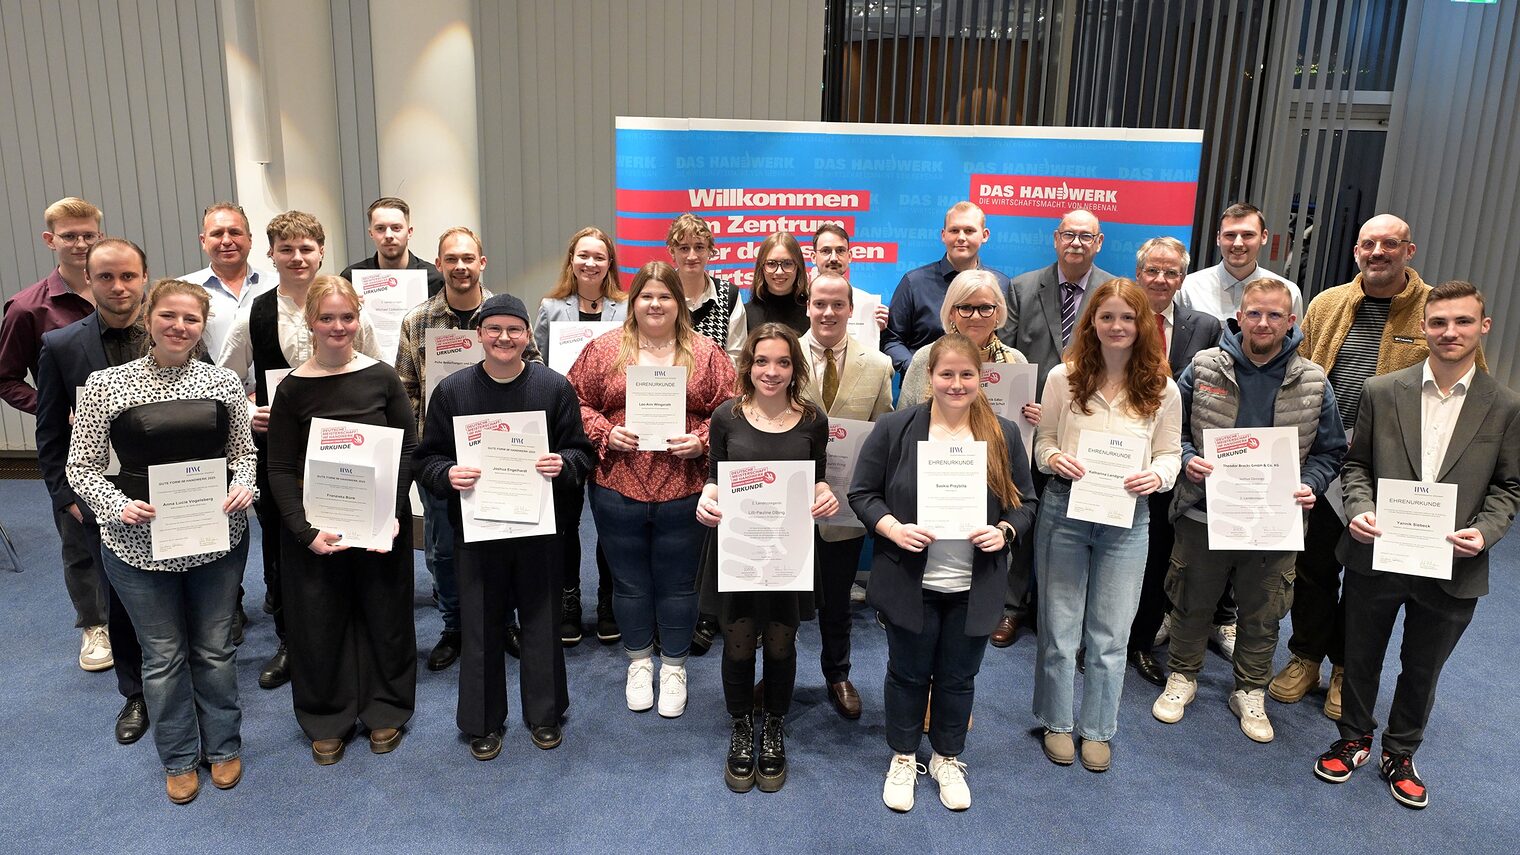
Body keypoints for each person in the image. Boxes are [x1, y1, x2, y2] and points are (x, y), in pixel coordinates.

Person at [1315, 280, 1520, 809]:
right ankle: (1353, 737)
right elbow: (1356, 466)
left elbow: (1509, 487)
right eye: (1438, 322)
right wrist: (1358, 508)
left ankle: (1401, 751)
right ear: (1423, 327)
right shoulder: (1385, 391)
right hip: (1378, 551)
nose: (1450, 332)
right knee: (1361, 655)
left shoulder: (1506, 406)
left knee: (1423, 666)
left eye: (1463, 322)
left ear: (1483, 327)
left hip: (1455, 561)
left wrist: (1487, 531)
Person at [66, 278, 257, 804]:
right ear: (149, 317)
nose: (180, 326)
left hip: (216, 541)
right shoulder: (107, 385)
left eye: (191, 319)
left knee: (215, 650)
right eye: (169, 316)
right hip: (138, 546)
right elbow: (80, 467)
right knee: (164, 654)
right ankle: (177, 755)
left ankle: (223, 746)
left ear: (202, 327)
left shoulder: (222, 384)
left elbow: (243, 452)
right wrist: (114, 507)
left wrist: (244, 483)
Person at [1151, 278, 1345, 743]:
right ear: (1239, 316)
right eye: (1254, 313)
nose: (1263, 323)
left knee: (1263, 611)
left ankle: (1250, 689)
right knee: (1191, 600)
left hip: (1273, 522)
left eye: (1274, 315)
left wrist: (1310, 483)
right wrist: (1184, 460)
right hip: (1203, 513)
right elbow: (1168, 431)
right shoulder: (1202, 368)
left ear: (1291, 321)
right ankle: (1183, 676)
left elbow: (1330, 452)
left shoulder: (1314, 380)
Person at [849, 333, 1037, 812]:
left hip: (973, 584)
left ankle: (948, 757)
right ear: (930, 377)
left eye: (966, 375)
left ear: (982, 378)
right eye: (946, 374)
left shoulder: (1004, 433)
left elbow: (1026, 503)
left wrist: (1005, 532)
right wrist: (892, 528)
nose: (956, 384)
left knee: (958, 677)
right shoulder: (895, 428)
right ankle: (904, 755)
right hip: (912, 581)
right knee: (907, 674)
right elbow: (863, 494)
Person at [1271, 213, 1442, 720]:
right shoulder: (1326, 304)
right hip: (1324, 459)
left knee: (1367, 574)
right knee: (1312, 567)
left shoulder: (1432, 311)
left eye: (1390, 244)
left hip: (1387, 470)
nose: (1378, 252)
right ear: (1356, 252)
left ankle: (1348, 666)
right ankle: (1305, 657)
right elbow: (1294, 371)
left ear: (1408, 251)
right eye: (1369, 244)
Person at [414, 293, 595, 760]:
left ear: (526, 335)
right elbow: (428, 458)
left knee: (541, 621)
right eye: (494, 329)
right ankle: (483, 720)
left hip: (538, 527)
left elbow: (581, 452)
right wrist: (446, 474)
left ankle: (545, 714)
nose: (504, 338)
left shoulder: (553, 388)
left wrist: (563, 463)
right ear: (479, 335)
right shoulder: (452, 391)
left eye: (514, 330)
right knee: (479, 625)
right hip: (478, 530)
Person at [219, 211, 382, 691]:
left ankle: (356, 632)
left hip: (348, 452)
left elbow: (377, 370)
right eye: (286, 249)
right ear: (271, 254)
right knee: (285, 546)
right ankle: (292, 641)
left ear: (320, 252)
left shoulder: (351, 309)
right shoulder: (255, 312)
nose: (296, 257)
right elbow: (224, 378)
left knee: (353, 536)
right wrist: (247, 410)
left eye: (306, 248)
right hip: (282, 455)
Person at [567, 261, 735, 719]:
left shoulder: (706, 353)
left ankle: (674, 665)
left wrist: (700, 439)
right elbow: (573, 401)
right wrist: (603, 431)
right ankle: (640, 661)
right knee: (630, 581)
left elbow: (731, 409)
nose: (655, 304)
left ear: (679, 304)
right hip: (617, 485)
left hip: (685, 486)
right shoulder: (602, 351)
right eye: (647, 296)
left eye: (665, 296)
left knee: (680, 584)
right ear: (633, 301)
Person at [264, 275, 416, 766]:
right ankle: (326, 716)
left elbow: (407, 449)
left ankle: (386, 707)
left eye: (346, 317)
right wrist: (303, 532)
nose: (337, 326)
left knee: (384, 617)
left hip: (378, 527)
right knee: (319, 623)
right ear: (310, 322)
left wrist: (393, 515)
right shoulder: (292, 389)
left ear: (359, 318)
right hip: (315, 530)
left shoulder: (381, 377)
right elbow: (280, 468)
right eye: (326, 318)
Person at [1032, 278, 1181, 773]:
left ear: (1143, 325)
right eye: (1107, 316)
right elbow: (1044, 440)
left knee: (1110, 633)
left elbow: (1169, 454)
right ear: (1091, 322)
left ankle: (1096, 729)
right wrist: (1055, 458)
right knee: (1059, 627)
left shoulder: (1163, 387)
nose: (1117, 326)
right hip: (1065, 510)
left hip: (1127, 519)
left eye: (1127, 317)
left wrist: (1157, 476)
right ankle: (1056, 721)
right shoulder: (1063, 377)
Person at [696, 323, 838, 793]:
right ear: (748, 364)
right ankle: (741, 725)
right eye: (762, 361)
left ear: (794, 367)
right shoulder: (726, 416)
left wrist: (825, 496)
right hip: (739, 550)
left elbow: (817, 478)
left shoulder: (812, 419)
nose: (771, 372)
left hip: (788, 552)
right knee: (737, 644)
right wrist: (707, 498)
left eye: (782, 362)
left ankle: (774, 725)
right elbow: (715, 475)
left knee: (781, 644)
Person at [35, 238, 152, 744]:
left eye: (128, 276)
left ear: (144, 278)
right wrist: (68, 499)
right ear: (89, 279)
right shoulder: (61, 347)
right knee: (122, 599)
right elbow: (50, 435)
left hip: (173, 491)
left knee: (181, 596)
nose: (119, 286)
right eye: (106, 277)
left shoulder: (174, 333)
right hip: (101, 497)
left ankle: (183, 683)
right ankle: (136, 694)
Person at [897, 269, 1042, 650]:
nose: (976, 316)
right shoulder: (928, 357)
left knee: (967, 626)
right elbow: (905, 416)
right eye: (966, 307)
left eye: (985, 307)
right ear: (951, 312)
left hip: (986, 490)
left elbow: (1018, 440)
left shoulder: (1016, 360)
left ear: (999, 313)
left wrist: (1032, 419)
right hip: (933, 484)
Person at [0, 197, 111, 669]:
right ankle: (95, 627)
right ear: (51, 240)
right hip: (72, 445)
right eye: (70, 236)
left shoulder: (123, 293)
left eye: (89, 234)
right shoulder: (28, 307)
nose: (81, 243)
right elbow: (5, 378)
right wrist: (52, 408)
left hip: (131, 438)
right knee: (80, 534)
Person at [394, 227, 500, 671]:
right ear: (438, 265)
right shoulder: (418, 321)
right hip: (440, 457)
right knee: (442, 548)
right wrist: (421, 459)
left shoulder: (503, 314)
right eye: (451, 258)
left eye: (468, 258)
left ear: (482, 263)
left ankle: (499, 621)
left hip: (497, 452)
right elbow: (406, 392)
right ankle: (454, 626)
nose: (460, 266)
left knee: (499, 543)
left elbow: (531, 375)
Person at [1124, 237, 1223, 686]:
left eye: (1171, 273)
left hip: (1171, 462)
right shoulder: (1115, 316)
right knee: (1105, 553)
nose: (1161, 280)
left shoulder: (1204, 326)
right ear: (1138, 272)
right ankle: (1096, 640)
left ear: (1182, 279)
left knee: (1158, 557)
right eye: (1152, 271)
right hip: (1114, 461)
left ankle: (1141, 642)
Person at [799, 273, 893, 719]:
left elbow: (881, 436)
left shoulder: (876, 366)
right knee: (782, 600)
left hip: (845, 509)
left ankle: (837, 673)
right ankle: (777, 677)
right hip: (788, 506)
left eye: (838, 305)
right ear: (807, 306)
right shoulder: (782, 358)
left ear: (850, 310)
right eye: (820, 304)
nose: (828, 313)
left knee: (837, 599)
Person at [532, 225, 626, 647]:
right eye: (583, 255)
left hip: (612, 428)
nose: (590, 263)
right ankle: (569, 599)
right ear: (572, 260)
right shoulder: (552, 308)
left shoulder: (625, 310)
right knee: (566, 522)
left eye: (599, 256)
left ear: (610, 264)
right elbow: (533, 361)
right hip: (563, 428)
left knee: (608, 522)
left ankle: (608, 602)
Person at [881, 202, 1009, 375]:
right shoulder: (914, 282)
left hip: (989, 389)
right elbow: (892, 340)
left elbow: (1009, 341)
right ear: (943, 235)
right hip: (924, 390)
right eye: (954, 230)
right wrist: (921, 371)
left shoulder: (1002, 284)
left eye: (969, 231)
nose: (961, 237)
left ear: (984, 235)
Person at [1002, 208, 1117, 393]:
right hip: (1029, 408)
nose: (1076, 243)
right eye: (1069, 235)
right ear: (1056, 238)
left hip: (1091, 404)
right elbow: (1005, 356)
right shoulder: (1021, 289)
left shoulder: (1114, 293)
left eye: (1086, 236)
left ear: (1099, 242)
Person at [177, 202, 274, 364]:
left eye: (235, 232)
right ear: (203, 241)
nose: (227, 240)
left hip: (271, 388)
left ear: (249, 239)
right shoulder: (182, 290)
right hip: (209, 388)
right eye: (217, 234)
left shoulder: (276, 285)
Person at [1178, 202, 1303, 321]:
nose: (1238, 243)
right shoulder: (1188, 288)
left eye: (1248, 235)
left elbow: (1294, 342)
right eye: (1230, 235)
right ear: (1218, 238)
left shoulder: (1289, 292)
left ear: (1263, 237)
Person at [666, 212, 745, 362]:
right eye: (684, 248)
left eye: (699, 247)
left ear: (710, 251)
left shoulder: (729, 295)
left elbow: (736, 357)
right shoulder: (661, 294)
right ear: (672, 252)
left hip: (718, 384)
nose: (692, 256)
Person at [339, 196, 446, 298]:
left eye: (396, 228)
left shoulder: (436, 279)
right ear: (371, 233)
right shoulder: (351, 279)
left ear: (409, 232)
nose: (388, 236)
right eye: (380, 228)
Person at [809, 224, 889, 331]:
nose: (833, 258)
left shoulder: (869, 306)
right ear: (814, 257)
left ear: (850, 256)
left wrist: (880, 332)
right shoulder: (800, 302)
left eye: (840, 251)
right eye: (826, 251)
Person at [743, 232, 809, 335]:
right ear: (761, 268)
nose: (779, 272)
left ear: (798, 267)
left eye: (787, 264)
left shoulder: (812, 312)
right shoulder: (744, 314)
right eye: (771, 264)